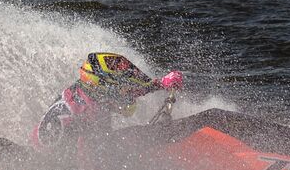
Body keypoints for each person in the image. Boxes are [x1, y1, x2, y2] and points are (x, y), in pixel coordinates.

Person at [30, 52, 184, 149]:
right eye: (122, 85)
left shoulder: (88, 92)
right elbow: (89, 160)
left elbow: (123, 92)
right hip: (53, 169)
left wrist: (160, 83)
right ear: (104, 86)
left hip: (64, 154)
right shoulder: (85, 111)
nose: (128, 90)